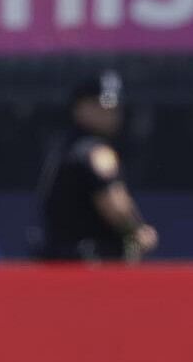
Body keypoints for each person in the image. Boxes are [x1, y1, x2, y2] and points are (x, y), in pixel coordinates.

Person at [34, 70, 158, 262]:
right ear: (80, 107)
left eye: (114, 108)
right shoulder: (96, 152)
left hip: (59, 260)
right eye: (101, 107)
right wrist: (137, 233)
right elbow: (114, 203)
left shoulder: (65, 147)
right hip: (90, 262)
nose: (110, 114)